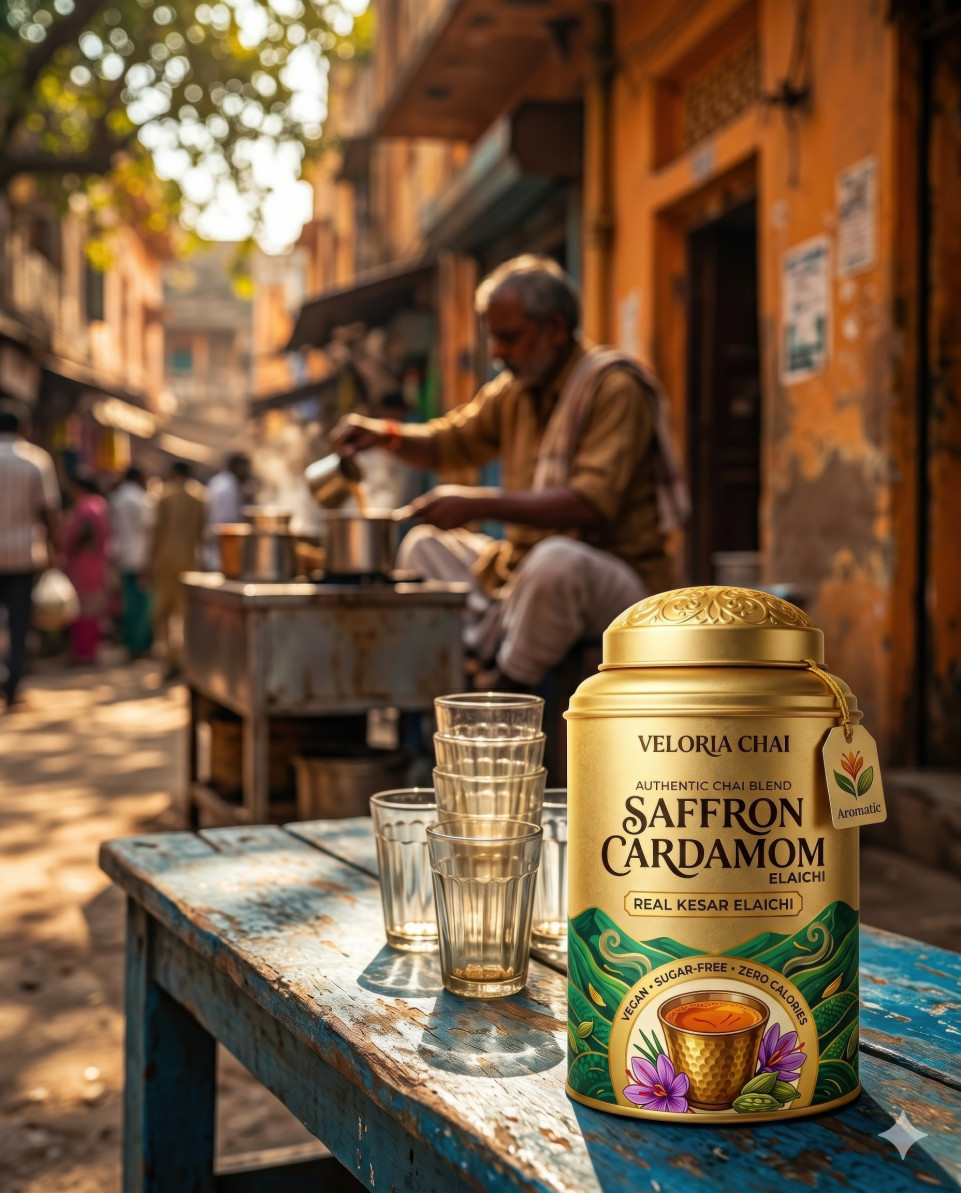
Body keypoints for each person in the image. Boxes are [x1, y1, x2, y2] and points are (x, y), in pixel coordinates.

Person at [331, 254, 688, 690]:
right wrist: (384, 434)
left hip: (614, 576)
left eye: (509, 338)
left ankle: (506, 686)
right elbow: (449, 443)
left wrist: (478, 504)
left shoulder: (614, 389)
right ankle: (453, 671)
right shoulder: (513, 392)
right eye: (493, 339)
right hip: (520, 567)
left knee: (556, 562)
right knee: (424, 547)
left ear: (555, 328)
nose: (497, 352)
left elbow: (589, 504)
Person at [0, 404, 60, 708]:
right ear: (22, 429)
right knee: (19, 621)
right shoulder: (36, 460)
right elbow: (48, 510)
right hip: (24, 555)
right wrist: (54, 549)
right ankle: (12, 686)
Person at [152, 460, 207, 678]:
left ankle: (170, 658)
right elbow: (202, 532)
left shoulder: (164, 494)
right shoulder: (200, 496)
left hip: (166, 559)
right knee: (186, 612)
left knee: (164, 611)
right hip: (190, 560)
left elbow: (157, 530)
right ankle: (186, 658)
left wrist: (150, 560)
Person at [61, 467, 111, 665]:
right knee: (93, 608)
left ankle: (82, 652)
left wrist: (64, 553)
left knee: (81, 609)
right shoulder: (100, 504)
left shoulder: (84, 507)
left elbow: (77, 534)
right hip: (98, 563)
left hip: (82, 564)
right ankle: (91, 650)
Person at [110, 465, 155, 658]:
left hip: (123, 557)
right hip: (141, 558)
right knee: (143, 604)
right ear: (138, 478)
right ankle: (140, 644)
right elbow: (149, 530)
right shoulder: (142, 500)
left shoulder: (116, 498)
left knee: (129, 603)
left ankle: (132, 643)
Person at [206, 451, 252, 568]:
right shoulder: (228, 487)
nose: (248, 472)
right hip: (223, 547)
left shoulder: (220, 482)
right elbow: (227, 522)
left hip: (218, 545)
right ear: (238, 468)